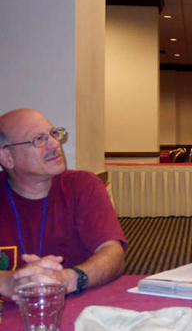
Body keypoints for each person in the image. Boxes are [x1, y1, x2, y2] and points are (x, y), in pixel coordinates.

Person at [0, 109, 128, 298]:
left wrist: (68, 279)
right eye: (38, 139)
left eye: (53, 134)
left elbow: (113, 254)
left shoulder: (83, 185)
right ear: (7, 158)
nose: (54, 144)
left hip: (79, 308)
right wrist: (7, 281)